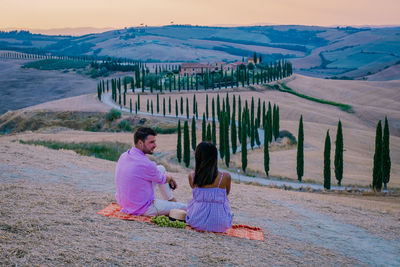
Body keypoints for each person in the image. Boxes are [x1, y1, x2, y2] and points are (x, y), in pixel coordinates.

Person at [115, 127, 186, 216]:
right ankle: (172, 204)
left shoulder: (124, 155)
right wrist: (171, 177)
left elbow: (160, 176)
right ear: (140, 143)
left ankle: (169, 199)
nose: (155, 145)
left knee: (161, 168)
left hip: (125, 204)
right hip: (142, 208)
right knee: (183, 207)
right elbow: (163, 179)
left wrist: (168, 177)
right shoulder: (146, 163)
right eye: (151, 142)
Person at [186, 142, 233, 232]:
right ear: (215, 157)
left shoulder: (192, 176)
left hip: (196, 221)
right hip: (220, 225)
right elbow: (225, 194)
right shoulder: (225, 177)